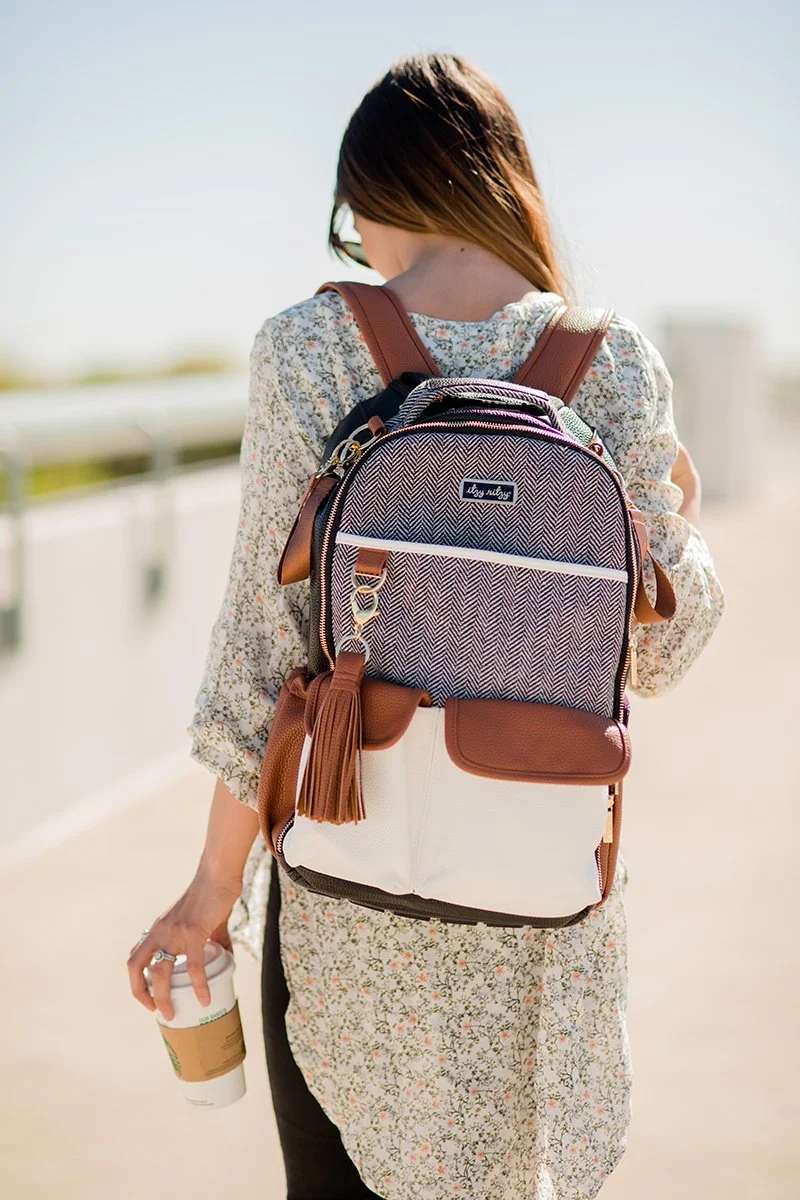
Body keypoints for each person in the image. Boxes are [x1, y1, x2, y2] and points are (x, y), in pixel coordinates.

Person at [128, 52, 724, 1199]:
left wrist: (210, 893)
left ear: (368, 203)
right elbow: (659, 648)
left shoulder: (306, 351)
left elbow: (260, 657)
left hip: (355, 921)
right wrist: (682, 523)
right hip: (543, 927)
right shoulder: (610, 362)